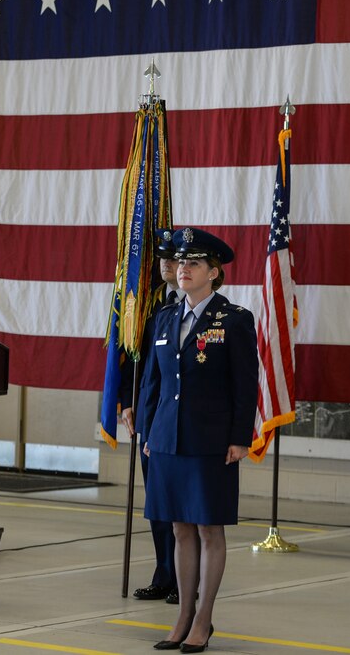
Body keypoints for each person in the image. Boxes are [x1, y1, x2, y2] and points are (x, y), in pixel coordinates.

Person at [140, 227, 258, 653]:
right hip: (167, 439)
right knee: (179, 528)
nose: (182, 269)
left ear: (214, 273)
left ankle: (204, 619)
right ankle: (183, 615)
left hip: (211, 441)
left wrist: (240, 438)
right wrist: (148, 432)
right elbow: (152, 384)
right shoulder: (165, 318)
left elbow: (246, 385)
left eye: (193, 263)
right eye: (180, 262)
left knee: (209, 529)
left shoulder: (236, 319)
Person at [120, 229, 183, 604]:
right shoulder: (153, 303)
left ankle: (182, 576)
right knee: (157, 504)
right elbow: (138, 355)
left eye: (173, 260)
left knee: (178, 506)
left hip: (178, 420)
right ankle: (163, 572)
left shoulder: (195, 307)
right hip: (151, 417)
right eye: (163, 260)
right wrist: (129, 401)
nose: (166, 266)